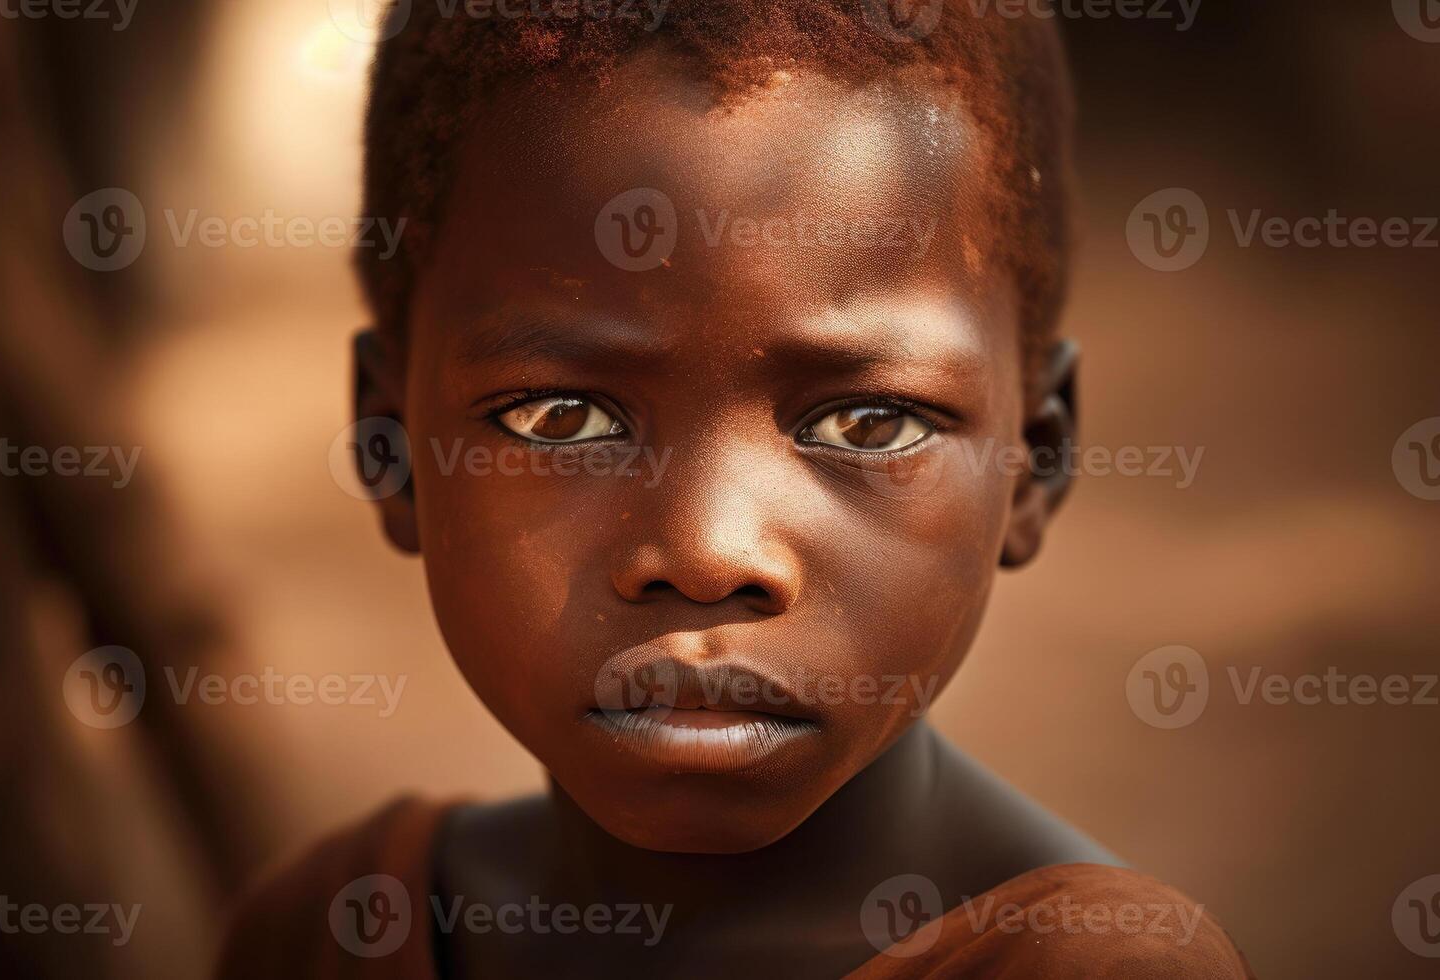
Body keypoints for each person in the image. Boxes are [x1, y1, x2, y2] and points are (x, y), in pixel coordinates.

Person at [220, 3, 1254, 976]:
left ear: (1035, 457)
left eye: (868, 423)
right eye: (562, 417)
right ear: (389, 441)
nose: (710, 552)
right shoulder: (324, 932)